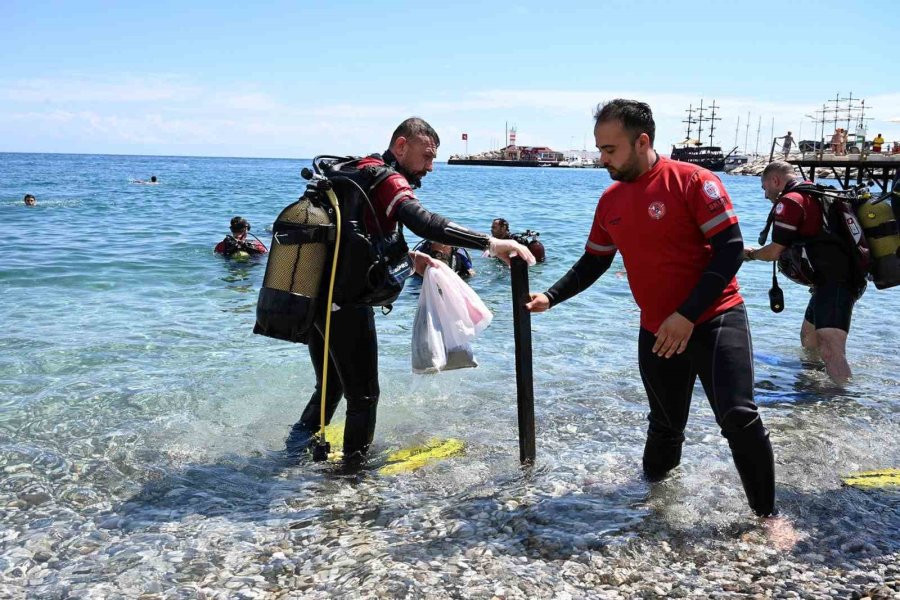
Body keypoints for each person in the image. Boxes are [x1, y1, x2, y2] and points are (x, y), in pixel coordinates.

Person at [525, 99, 776, 517]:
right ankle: (654, 508)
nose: (602, 159)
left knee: (738, 417)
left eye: (610, 150)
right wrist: (551, 296)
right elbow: (594, 260)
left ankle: (769, 519)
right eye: (600, 149)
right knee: (664, 425)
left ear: (642, 141)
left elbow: (730, 250)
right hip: (658, 330)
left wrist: (687, 315)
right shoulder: (610, 201)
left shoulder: (693, 181)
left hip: (715, 318)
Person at [285, 117, 534, 466]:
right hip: (346, 303)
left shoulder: (359, 174)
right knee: (365, 396)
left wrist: (413, 258)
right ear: (401, 146)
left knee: (332, 385)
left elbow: (364, 238)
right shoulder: (387, 179)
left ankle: (292, 449)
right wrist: (490, 243)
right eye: (427, 156)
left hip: (317, 297)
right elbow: (422, 220)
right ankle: (353, 475)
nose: (431, 166)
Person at [743, 161, 865, 385]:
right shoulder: (814, 191)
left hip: (837, 282)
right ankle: (813, 386)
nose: (765, 195)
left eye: (764, 188)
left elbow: (774, 252)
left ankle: (841, 400)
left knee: (831, 348)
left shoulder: (792, 201)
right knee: (809, 338)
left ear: (775, 180)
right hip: (832, 280)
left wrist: (749, 255)